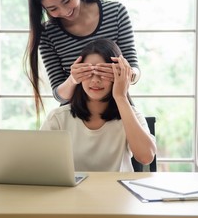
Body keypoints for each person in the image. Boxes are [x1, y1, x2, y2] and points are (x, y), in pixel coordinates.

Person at [23, 0, 141, 116]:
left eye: (67, 0)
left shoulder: (116, 13)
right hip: (75, 116)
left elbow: (135, 71)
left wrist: (125, 73)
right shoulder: (47, 33)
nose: (65, 11)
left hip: (116, 112)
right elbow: (59, 94)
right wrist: (73, 79)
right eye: (53, 9)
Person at [40, 39, 155, 172]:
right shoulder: (58, 118)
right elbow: (38, 163)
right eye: (89, 73)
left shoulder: (131, 116)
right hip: (73, 193)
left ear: (118, 75)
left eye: (103, 72)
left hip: (118, 192)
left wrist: (121, 97)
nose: (95, 80)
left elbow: (146, 157)